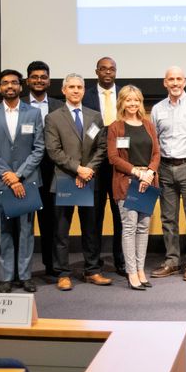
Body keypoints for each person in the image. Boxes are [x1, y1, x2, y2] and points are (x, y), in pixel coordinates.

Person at [44, 73, 112, 291]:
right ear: (63, 90)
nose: (75, 90)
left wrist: (89, 169)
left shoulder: (95, 116)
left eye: (79, 87)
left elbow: (102, 147)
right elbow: (53, 151)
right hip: (65, 179)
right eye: (71, 87)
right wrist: (78, 169)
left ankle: (92, 270)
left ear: (84, 90)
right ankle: (63, 273)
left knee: (91, 228)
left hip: (90, 180)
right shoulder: (53, 117)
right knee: (61, 231)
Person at [0, 69, 45, 293]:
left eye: (14, 83)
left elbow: (39, 149)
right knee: (5, 232)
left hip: (27, 182)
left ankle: (26, 276)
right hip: (1, 184)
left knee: (26, 231)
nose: (10, 86)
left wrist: (18, 175)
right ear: (0, 88)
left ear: (21, 86)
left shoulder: (33, 113)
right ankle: (7, 277)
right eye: (5, 83)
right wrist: (8, 176)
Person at [150, 66, 186, 281]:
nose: (175, 83)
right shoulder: (157, 109)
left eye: (178, 79)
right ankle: (172, 260)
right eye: (170, 79)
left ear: (185, 82)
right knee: (168, 218)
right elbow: (154, 142)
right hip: (164, 168)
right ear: (165, 83)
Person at [107, 85, 160, 290]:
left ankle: (140, 269)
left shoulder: (148, 125)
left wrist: (149, 173)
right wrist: (137, 172)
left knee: (143, 228)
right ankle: (131, 272)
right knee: (129, 228)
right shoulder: (116, 127)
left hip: (148, 182)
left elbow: (156, 153)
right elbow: (113, 158)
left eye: (136, 100)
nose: (132, 103)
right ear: (122, 102)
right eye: (128, 100)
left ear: (140, 102)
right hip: (126, 182)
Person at [82, 56, 125, 277]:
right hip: (95, 164)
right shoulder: (86, 96)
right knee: (93, 216)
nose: (108, 73)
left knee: (121, 215)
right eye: (103, 69)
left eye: (112, 69)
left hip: (120, 163)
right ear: (97, 71)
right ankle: (93, 263)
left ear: (116, 72)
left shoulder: (126, 95)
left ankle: (122, 262)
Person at [26, 61, 63, 277]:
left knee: (51, 219)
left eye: (43, 77)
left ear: (49, 80)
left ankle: (52, 266)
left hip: (53, 170)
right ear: (27, 80)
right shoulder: (19, 105)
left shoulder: (59, 106)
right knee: (24, 222)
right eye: (35, 77)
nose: (39, 80)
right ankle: (23, 271)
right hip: (26, 170)